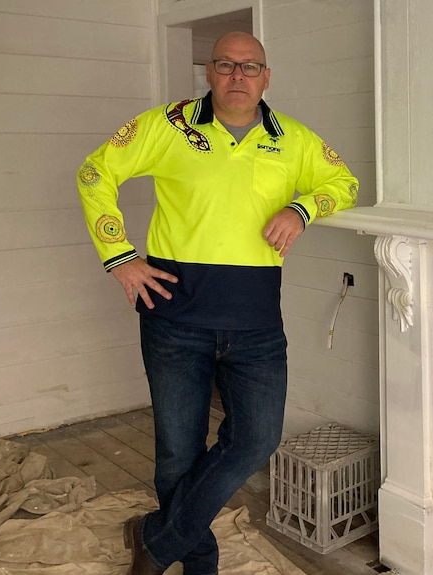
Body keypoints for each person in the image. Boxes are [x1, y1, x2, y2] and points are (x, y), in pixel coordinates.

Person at [76, 31, 358, 575]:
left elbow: (344, 182)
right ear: (209, 71)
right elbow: (95, 172)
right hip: (174, 320)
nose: (237, 76)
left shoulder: (292, 139)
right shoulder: (169, 124)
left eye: (250, 67)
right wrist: (119, 255)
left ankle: (158, 541)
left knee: (255, 440)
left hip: (255, 325)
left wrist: (303, 208)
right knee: (178, 453)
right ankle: (196, 559)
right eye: (226, 65)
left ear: (266, 77)